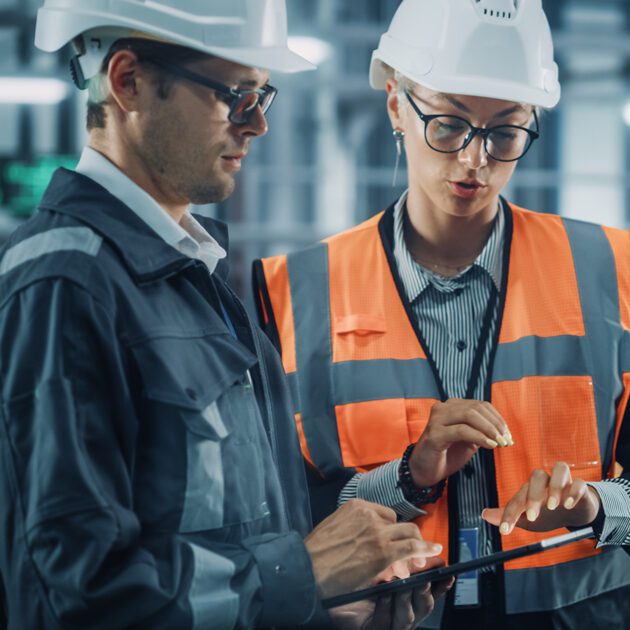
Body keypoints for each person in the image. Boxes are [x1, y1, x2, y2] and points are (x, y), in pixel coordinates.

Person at [0, 1, 450, 628]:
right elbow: (76, 593)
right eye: (237, 95)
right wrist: (305, 574)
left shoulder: (193, 278)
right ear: (128, 81)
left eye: (263, 96)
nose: (258, 125)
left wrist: (330, 606)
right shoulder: (64, 283)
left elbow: (242, 537)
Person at [253, 0, 630, 628]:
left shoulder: (613, 272)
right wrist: (408, 475)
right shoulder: (298, 293)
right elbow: (281, 524)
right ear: (397, 105)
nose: (475, 161)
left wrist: (596, 505)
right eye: (449, 125)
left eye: (505, 132)